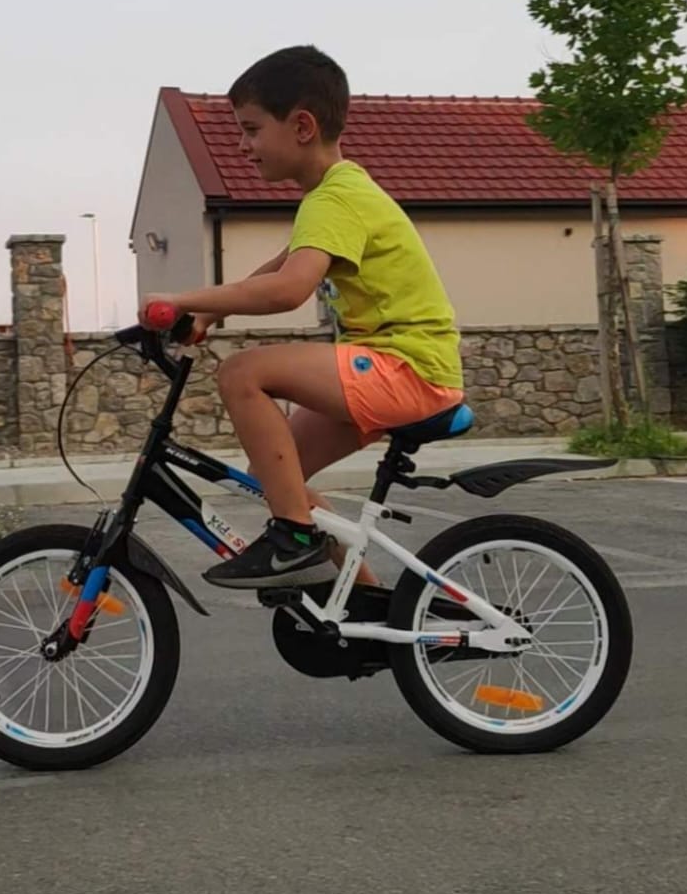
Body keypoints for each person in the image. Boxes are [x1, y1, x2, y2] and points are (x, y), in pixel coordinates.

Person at [140, 45, 463, 589]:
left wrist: (182, 298)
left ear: (302, 127)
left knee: (241, 373)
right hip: (393, 367)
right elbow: (281, 265)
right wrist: (206, 313)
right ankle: (361, 600)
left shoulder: (335, 199)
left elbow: (289, 289)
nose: (242, 146)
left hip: (409, 369)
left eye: (251, 130)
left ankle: (294, 537)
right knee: (277, 472)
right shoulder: (338, 193)